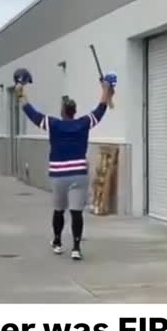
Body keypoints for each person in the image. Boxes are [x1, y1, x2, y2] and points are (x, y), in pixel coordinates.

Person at [15, 78, 114, 260]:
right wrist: (106, 91)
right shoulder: (84, 123)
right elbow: (100, 110)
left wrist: (21, 93)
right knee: (76, 212)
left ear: (62, 112)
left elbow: (32, 113)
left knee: (59, 210)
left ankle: (58, 242)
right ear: (74, 112)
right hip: (79, 174)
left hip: (59, 174)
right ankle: (76, 248)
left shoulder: (53, 124)